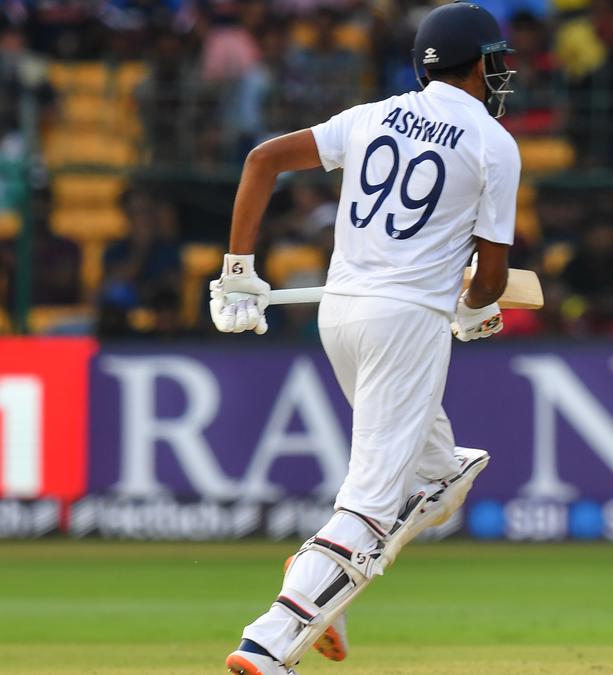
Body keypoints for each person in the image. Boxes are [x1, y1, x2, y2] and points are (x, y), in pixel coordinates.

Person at [208, 4, 519, 673]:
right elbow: (491, 279)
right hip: (405, 325)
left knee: (445, 475)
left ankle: (323, 582)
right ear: (477, 64)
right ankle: (271, 637)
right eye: (496, 62)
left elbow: (263, 160)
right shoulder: (494, 141)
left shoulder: (372, 114)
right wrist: (472, 309)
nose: (501, 75)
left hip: (340, 314)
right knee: (372, 504)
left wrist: (237, 271)